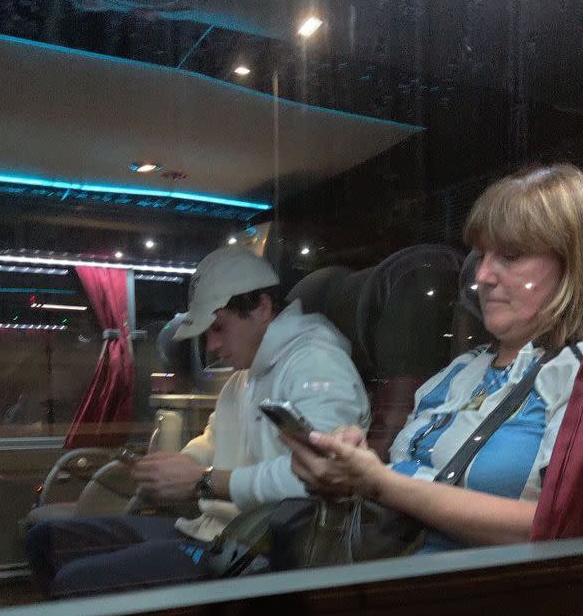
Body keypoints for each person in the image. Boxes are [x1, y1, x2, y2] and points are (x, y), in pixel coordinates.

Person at [284, 165, 583, 554]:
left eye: (510, 255)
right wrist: (348, 467)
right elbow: (405, 478)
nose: (484, 275)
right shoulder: (460, 371)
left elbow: (560, 527)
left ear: (571, 268)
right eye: (483, 254)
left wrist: (379, 483)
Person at [26, 245, 370, 595]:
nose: (211, 346)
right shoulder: (243, 379)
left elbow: (319, 478)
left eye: (219, 327)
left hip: (255, 549)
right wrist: (179, 464)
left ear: (262, 307)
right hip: (211, 528)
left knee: (77, 581)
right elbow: (213, 440)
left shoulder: (317, 365)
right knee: (46, 540)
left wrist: (203, 482)